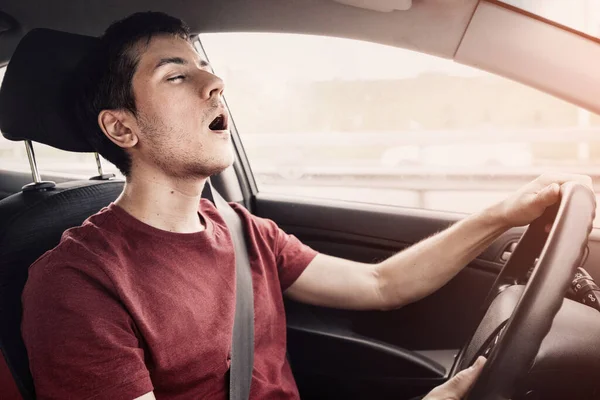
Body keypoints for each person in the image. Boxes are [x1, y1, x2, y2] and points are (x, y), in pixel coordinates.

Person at [20, 11, 591, 400]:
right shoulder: (77, 284)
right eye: (176, 76)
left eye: (205, 66)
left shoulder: (242, 230)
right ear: (122, 128)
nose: (215, 81)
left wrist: (503, 214)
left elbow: (380, 286)